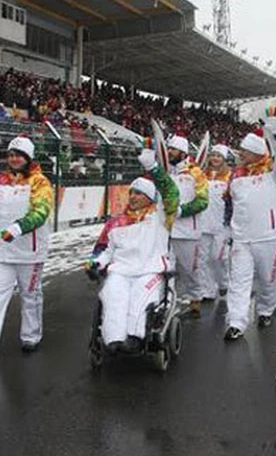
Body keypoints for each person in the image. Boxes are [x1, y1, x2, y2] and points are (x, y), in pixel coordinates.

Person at [85, 148, 179, 354]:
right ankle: (114, 340)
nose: (134, 197)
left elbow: (171, 193)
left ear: (150, 198)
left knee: (140, 297)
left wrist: (153, 168)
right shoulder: (116, 222)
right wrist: (94, 263)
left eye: (139, 193)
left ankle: (135, 337)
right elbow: (105, 250)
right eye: (132, 192)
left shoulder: (161, 217)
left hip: (150, 270)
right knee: (113, 295)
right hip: (121, 270)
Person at [0, 137, 54, 356]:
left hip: (30, 252)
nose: (14, 159)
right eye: (11, 155)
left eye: (19, 155)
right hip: (2, 251)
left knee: (30, 295)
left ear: (28, 158)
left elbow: (41, 212)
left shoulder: (39, 182)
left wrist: (18, 228)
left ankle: (31, 336)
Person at [223, 107, 276, 341]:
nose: (240, 154)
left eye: (244, 151)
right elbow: (229, 204)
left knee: (267, 280)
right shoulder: (236, 176)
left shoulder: (274, 173)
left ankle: (264, 309)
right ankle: (236, 322)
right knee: (238, 282)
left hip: (268, 237)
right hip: (242, 239)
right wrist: (227, 227)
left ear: (256, 152)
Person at [166, 135, 209, 316]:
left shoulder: (196, 173)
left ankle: (195, 297)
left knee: (190, 269)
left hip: (188, 232)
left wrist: (182, 211)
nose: (169, 153)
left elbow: (203, 201)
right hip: (166, 230)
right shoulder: (166, 172)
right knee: (165, 268)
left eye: (172, 150)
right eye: (168, 149)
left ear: (182, 153)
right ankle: (166, 303)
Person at [198, 144, 232, 301]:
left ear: (224, 159)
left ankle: (224, 282)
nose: (215, 158)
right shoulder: (202, 175)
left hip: (221, 224)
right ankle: (208, 290)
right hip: (203, 222)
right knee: (203, 258)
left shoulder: (230, 176)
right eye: (213, 155)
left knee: (217, 257)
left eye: (219, 156)